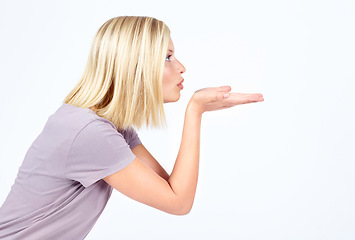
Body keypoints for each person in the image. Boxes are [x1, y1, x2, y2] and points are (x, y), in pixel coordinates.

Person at [0, 16, 264, 239]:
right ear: (135, 66)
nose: (182, 67)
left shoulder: (110, 126)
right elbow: (179, 202)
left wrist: (197, 110)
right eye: (168, 57)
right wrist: (194, 112)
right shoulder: (90, 132)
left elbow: (172, 188)